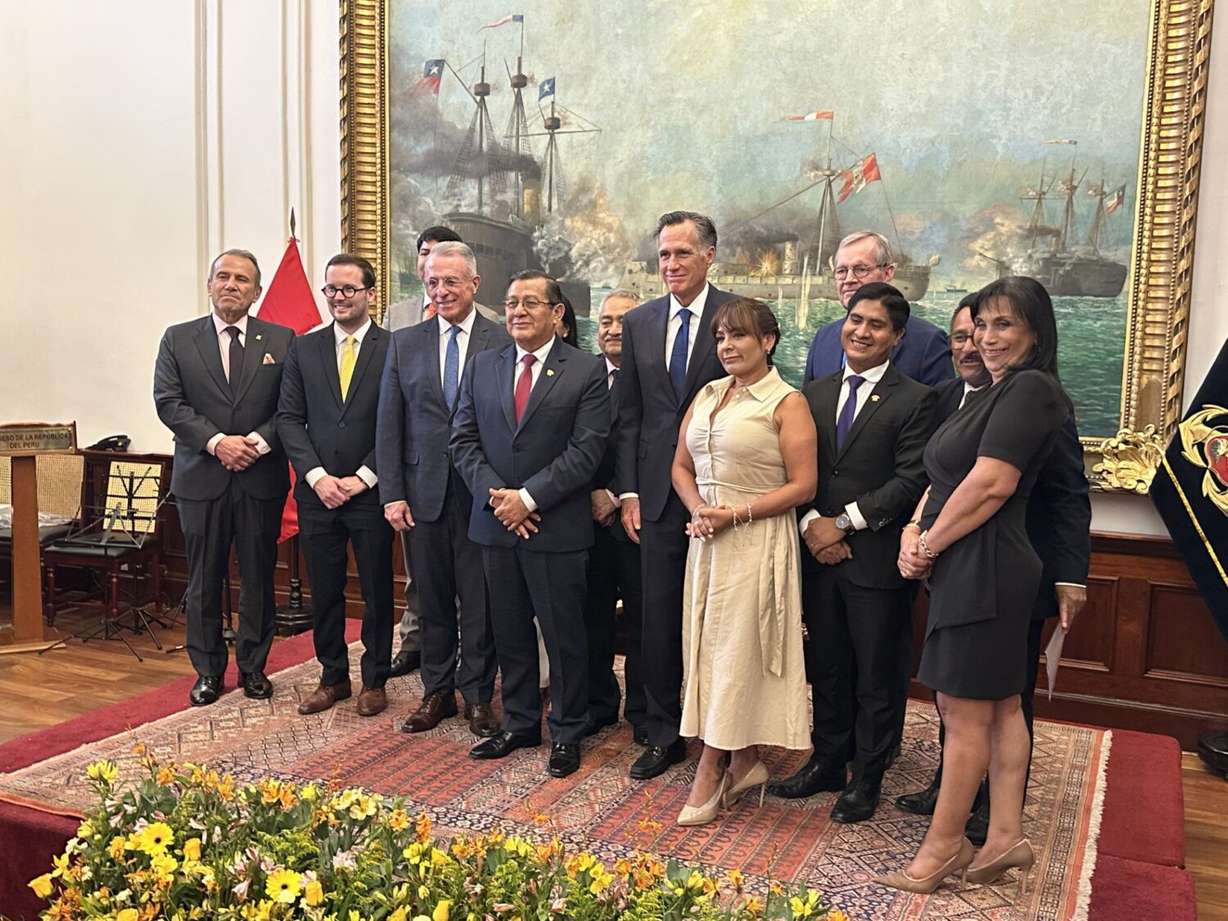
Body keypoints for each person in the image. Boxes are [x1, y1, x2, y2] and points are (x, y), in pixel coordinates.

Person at [877, 276, 1073, 896]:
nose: (987, 338)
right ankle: (1005, 836)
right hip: (972, 563)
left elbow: (991, 484)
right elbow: (945, 477)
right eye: (980, 325)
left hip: (987, 566)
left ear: (1035, 333)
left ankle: (943, 847)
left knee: (962, 713)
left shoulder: (1032, 389)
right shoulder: (989, 392)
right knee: (1002, 704)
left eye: (1003, 325)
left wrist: (929, 545)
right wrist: (915, 529)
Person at [768, 283, 936, 823]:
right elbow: (790, 473)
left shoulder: (916, 399)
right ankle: (826, 761)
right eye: (855, 319)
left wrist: (843, 524)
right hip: (818, 557)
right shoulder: (810, 394)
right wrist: (812, 524)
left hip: (876, 562)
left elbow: (912, 479)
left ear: (897, 337)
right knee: (829, 666)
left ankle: (867, 776)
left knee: (875, 675)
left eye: (877, 325)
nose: (862, 332)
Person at [450, 270, 610, 778]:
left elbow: (585, 453)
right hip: (496, 524)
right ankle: (519, 723)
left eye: (531, 303)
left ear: (557, 313)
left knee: (564, 636)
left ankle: (567, 729)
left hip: (555, 527)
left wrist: (527, 498)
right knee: (509, 630)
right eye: (512, 302)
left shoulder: (585, 371)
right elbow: (463, 440)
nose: (518, 311)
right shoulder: (483, 366)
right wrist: (501, 500)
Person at [670, 298, 817, 826]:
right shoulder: (708, 393)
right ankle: (747, 761)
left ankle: (711, 769)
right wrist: (700, 513)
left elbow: (804, 485)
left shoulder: (786, 401)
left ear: (768, 342)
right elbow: (681, 466)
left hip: (756, 539)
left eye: (739, 337)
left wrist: (736, 514)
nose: (727, 347)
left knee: (735, 653)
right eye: (720, 338)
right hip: (707, 538)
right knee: (707, 649)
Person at [613, 211, 737, 780]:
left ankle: (722, 732)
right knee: (658, 619)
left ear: (709, 255)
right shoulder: (639, 322)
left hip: (724, 499)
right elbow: (630, 415)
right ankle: (664, 732)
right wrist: (631, 492)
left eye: (682, 253)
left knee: (720, 621)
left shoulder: (737, 317)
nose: (671, 265)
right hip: (658, 500)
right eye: (663, 254)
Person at [153, 249, 294, 706]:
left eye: (242, 279)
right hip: (202, 479)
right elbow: (169, 402)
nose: (232, 284)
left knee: (257, 578)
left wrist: (253, 443)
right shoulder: (178, 339)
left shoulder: (283, 339)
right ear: (209, 284)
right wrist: (218, 443)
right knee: (203, 580)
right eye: (224, 276)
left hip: (259, 477)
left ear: (257, 291)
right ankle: (208, 671)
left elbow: (291, 408)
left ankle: (254, 668)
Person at [376, 241, 505, 737]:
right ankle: (436, 692)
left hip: (480, 494)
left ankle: (476, 696)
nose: (441, 290)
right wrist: (392, 492)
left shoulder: (500, 339)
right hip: (421, 491)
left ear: (474, 284)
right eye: (432, 282)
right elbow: (390, 424)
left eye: (451, 281)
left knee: (479, 600)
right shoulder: (404, 342)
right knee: (430, 598)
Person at [277, 254, 394, 717]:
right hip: (318, 493)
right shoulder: (303, 349)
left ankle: (375, 679)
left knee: (377, 589)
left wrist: (364, 476)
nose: (339, 298)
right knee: (324, 589)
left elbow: (397, 422)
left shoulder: (394, 349)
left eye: (349, 289)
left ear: (369, 294)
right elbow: (289, 419)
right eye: (332, 290)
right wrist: (318, 477)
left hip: (372, 492)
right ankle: (333, 677)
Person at [583, 289, 645, 738]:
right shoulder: (580, 375)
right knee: (591, 617)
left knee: (645, 621)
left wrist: (622, 494)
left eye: (624, 320)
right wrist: (593, 492)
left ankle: (644, 713)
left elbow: (661, 446)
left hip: (640, 520)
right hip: (584, 518)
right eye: (606, 320)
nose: (613, 328)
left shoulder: (655, 377)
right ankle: (599, 703)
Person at [802, 231, 953, 389]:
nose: (848, 280)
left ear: (888, 272)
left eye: (861, 269)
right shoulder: (823, 338)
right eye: (841, 271)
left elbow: (941, 410)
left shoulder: (928, 342)